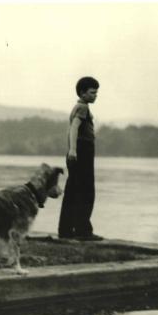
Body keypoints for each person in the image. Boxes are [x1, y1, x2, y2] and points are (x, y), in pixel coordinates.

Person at [58, 77, 103, 241]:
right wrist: (73, 150)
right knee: (86, 191)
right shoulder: (82, 107)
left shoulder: (80, 107)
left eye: (96, 92)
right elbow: (74, 128)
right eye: (92, 92)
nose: (95, 95)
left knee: (73, 191)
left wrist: (72, 150)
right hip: (82, 152)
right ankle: (83, 230)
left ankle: (67, 230)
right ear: (83, 93)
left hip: (80, 152)